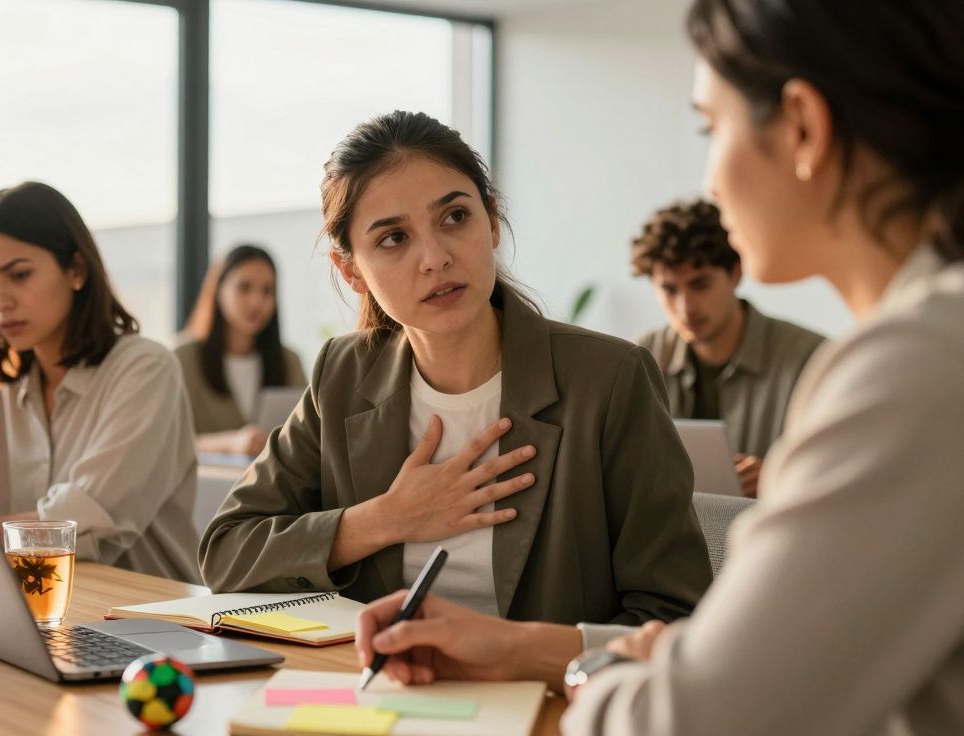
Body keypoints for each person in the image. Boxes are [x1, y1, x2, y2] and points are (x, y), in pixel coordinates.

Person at [355, 2, 964, 733]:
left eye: (712, 127)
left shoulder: (916, 365)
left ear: (803, 126)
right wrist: (526, 646)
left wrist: (600, 669)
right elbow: (748, 664)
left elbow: (692, 719)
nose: (710, 181)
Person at [199, 111, 711, 685]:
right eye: (393, 238)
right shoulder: (341, 374)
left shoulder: (610, 379)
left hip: (553, 708)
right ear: (352, 272)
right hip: (389, 701)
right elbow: (227, 551)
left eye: (456, 217)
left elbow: (677, 620)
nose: (435, 257)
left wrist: (518, 654)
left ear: (492, 223)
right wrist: (385, 519)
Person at [0, 181, 200, 583]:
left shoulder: (146, 369)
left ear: (76, 271)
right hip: (38, 610)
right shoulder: (3, 387)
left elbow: (79, 522)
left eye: (19, 274)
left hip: (150, 620)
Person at [632, 198, 824, 496]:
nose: (686, 308)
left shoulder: (810, 358)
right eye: (669, 290)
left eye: (700, 285)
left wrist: (780, 478)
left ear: (736, 273)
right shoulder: (642, 358)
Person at [174, 244, 307, 457]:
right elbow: (169, 441)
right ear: (218, 290)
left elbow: (307, 436)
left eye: (267, 291)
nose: (257, 302)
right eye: (244, 288)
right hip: (208, 485)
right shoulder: (182, 358)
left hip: (275, 487)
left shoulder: (289, 361)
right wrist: (231, 443)